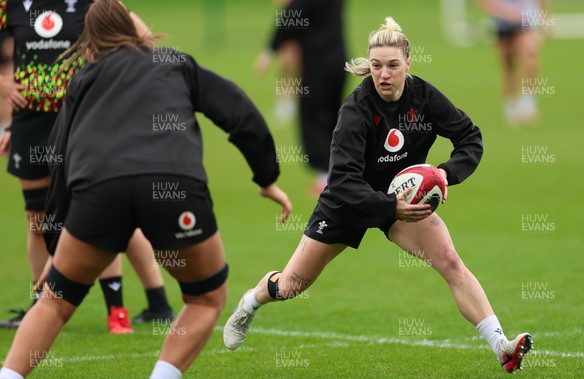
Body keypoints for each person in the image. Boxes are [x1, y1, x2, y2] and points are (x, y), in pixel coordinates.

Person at [224, 17, 533, 374]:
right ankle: (249, 303)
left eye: (392, 65)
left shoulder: (425, 97)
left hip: (399, 200)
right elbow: (341, 181)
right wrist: (390, 205)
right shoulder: (356, 110)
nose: (383, 74)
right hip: (348, 204)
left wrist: (446, 173)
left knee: (449, 260)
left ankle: (502, 347)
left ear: (408, 64)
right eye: (375, 66)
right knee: (293, 285)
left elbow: (470, 137)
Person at [0, 0, 291, 378]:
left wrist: (57, 249)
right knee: (205, 297)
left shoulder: (82, 79)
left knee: (54, 303)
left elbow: (59, 157)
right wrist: (266, 178)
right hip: (174, 186)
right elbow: (239, 113)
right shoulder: (173, 61)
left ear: (89, 45)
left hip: (99, 192)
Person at [0, 0, 173, 333]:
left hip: (85, 118)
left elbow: (144, 37)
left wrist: (118, 83)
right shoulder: (11, 5)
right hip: (31, 122)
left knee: (104, 211)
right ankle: (40, 307)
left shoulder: (91, 2)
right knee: (38, 221)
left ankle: (130, 309)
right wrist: (4, 84)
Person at [254, 0, 346, 197]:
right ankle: (338, 174)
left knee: (314, 119)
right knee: (333, 118)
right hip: (339, 62)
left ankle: (325, 178)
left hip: (317, 67)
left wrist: (269, 51)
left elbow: (290, 17)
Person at [477, 0, 552, 126]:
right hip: (502, 24)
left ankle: (528, 106)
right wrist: (505, 13)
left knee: (530, 55)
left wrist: (547, 21)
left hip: (526, 24)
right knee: (508, 67)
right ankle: (510, 108)